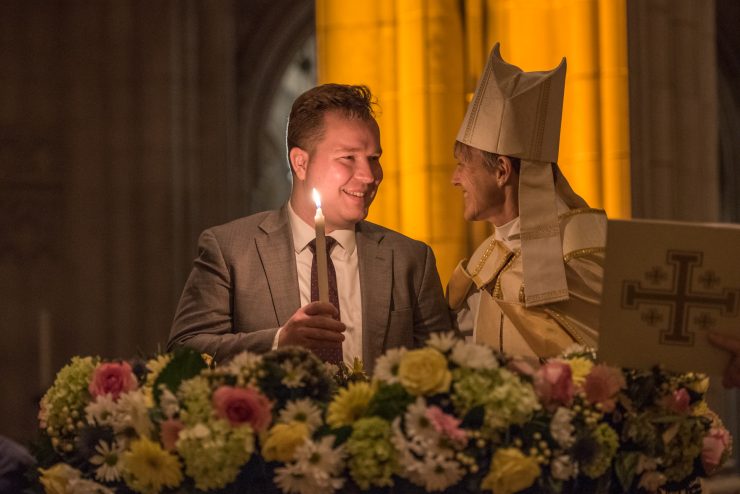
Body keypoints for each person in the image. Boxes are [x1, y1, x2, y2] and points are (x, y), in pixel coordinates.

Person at [168, 83, 453, 373]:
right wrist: (279, 342)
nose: (369, 176)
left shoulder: (409, 259)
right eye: (348, 158)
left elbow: (445, 365)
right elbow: (185, 350)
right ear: (300, 163)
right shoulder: (232, 250)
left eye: (373, 159)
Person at [446, 44, 607, 359]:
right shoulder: (485, 258)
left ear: (502, 171)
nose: (454, 179)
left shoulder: (581, 246)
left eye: (464, 164)